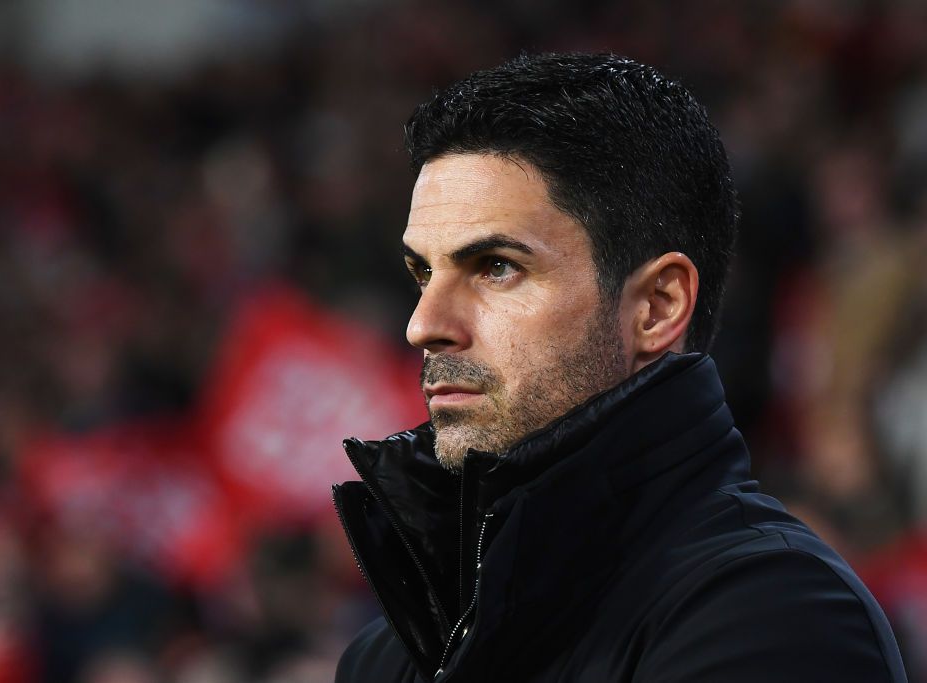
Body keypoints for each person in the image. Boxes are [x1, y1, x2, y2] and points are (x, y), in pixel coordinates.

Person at [331, 53, 906, 682]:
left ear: (657, 308)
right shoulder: (384, 658)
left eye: (496, 266)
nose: (423, 324)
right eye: (423, 272)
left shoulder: (777, 618)